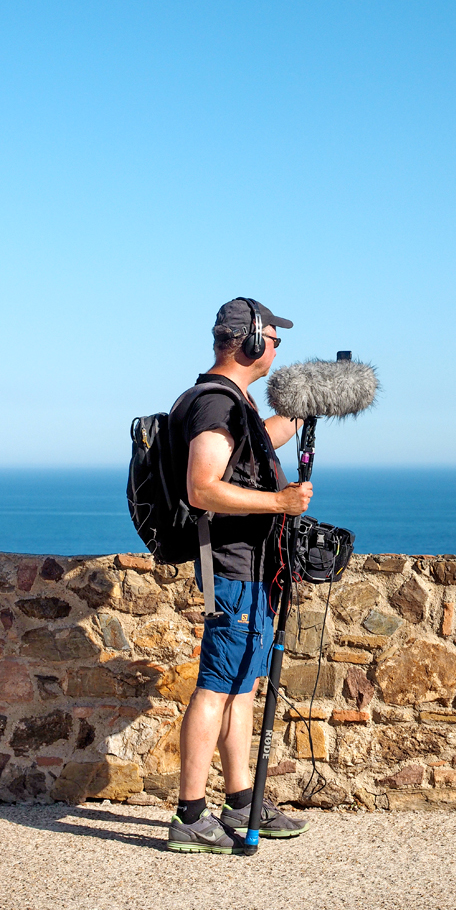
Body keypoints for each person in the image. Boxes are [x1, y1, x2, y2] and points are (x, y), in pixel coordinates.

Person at [166, 298, 313, 854]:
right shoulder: (214, 405)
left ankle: (241, 800)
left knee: (241, 690)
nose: (277, 350)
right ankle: (189, 815)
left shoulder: (236, 404)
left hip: (254, 569)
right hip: (230, 569)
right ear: (249, 341)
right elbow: (201, 486)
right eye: (274, 339)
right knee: (214, 688)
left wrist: (303, 410)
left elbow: (253, 447)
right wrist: (278, 501)